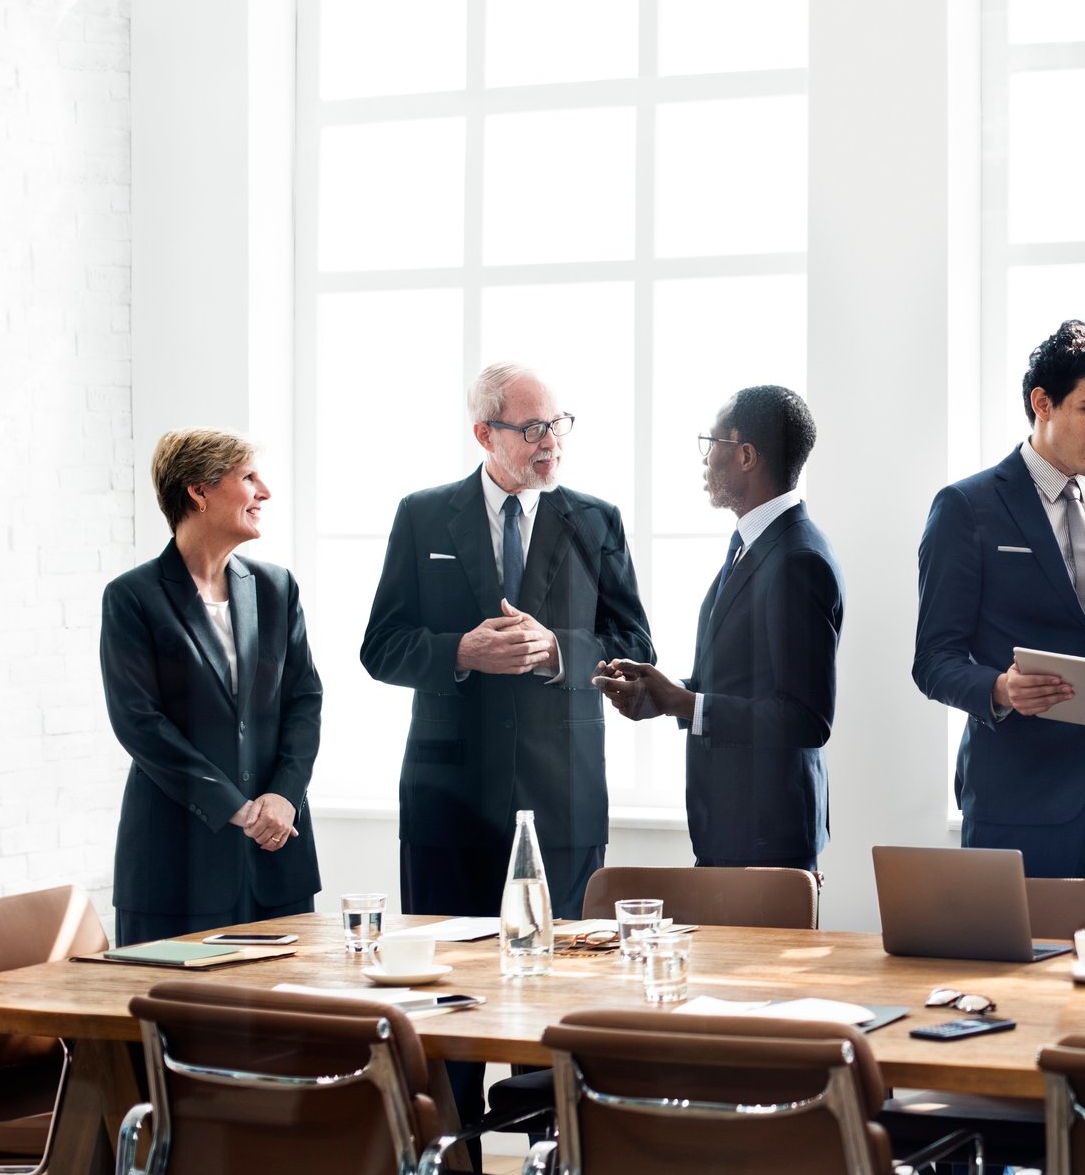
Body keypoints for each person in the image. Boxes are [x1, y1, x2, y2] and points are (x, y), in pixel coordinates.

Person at [361, 361, 654, 921]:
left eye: (558, 424)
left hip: (563, 800)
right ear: (484, 434)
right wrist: (460, 652)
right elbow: (381, 646)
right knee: (446, 987)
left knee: (562, 978)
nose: (551, 443)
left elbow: (636, 644)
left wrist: (557, 651)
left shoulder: (597, 521)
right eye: (531, 430)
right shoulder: (421, 516)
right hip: (448, 803)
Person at [913, 318, 1085, 878]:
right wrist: (1001, 689)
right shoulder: (967, 507)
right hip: (1017, 803)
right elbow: (933, 661)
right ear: (1043, 403)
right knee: (1014, 968)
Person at [592, 384, 843, 870]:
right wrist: (665, 696)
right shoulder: (755, 544)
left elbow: (807, 718)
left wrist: (686, 703)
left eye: (712, 446)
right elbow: (744, 682)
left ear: (746, 455)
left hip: (768, 841)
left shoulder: (798, 559)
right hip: (734, 830)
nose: (705, 461)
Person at [100, 429, 323, 946]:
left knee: (284, 1019)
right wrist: (236, 808)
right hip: (175, 866)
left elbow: (304, 700)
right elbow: (140, 723)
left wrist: (285, 796)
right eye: (248, 478)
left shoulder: (276, 587)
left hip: (276, 856)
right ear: (198, 490)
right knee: (176, 1022)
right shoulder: (132, 598)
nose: (264, 492)